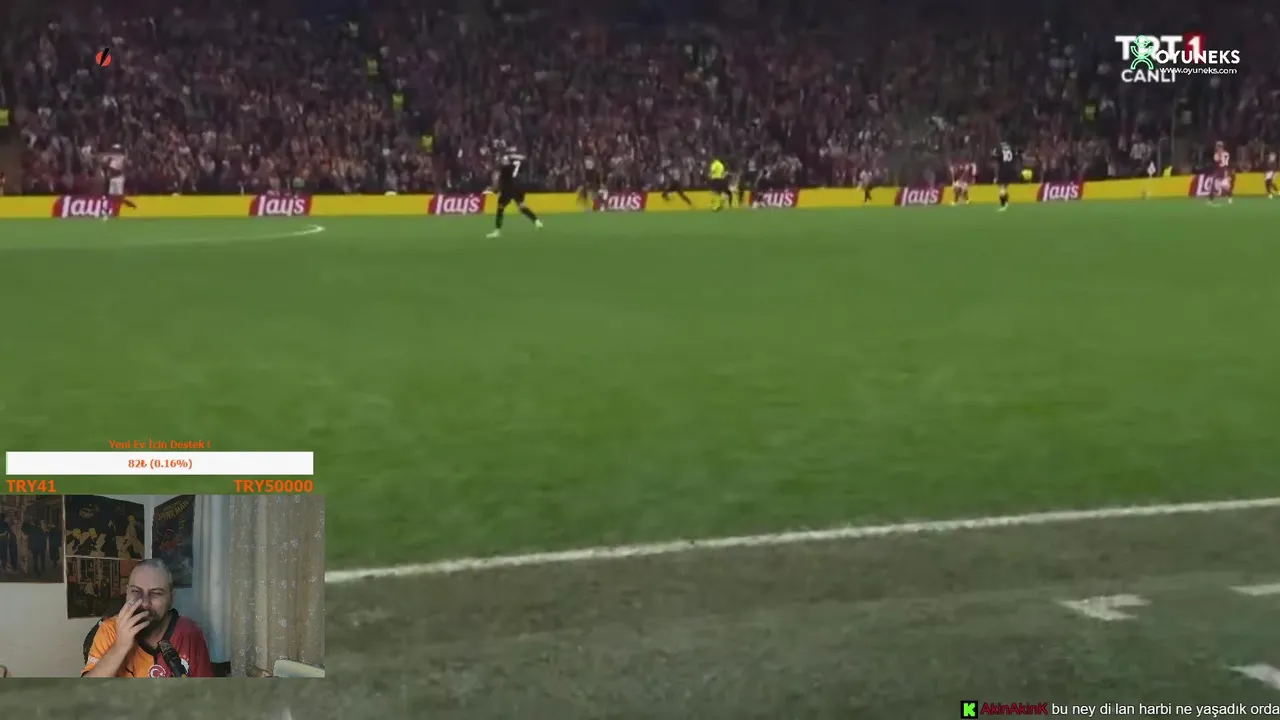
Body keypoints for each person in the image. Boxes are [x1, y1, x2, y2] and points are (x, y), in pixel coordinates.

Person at [82, 559, 215, 678]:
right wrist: (120, 646)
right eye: (136, 591)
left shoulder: (190, 633)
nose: (145, 603)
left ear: (171, 598)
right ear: (127, 593)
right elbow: (86, 691)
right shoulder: (110, 629)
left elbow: (205, 692)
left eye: (156, 593)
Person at [485, 142, 543, 238]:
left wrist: (494, 188)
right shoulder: (516, 158)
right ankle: (537, 222)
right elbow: (524, 158)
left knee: (500, 208)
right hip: (519, 185)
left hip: (508, 186)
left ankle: (497, 231)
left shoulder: (502, 160)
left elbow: (496, 175)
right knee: (521, 206)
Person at [994, 141, 1019, 211]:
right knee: (1004, 188)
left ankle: (1003, 205)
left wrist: (994, 152)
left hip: (1003, 171)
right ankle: (1006, 202)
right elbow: (1018, 155)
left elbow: (996, 158)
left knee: (1002, 189)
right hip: (1011, 171)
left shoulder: (1000, 152)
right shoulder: (1013, 151)